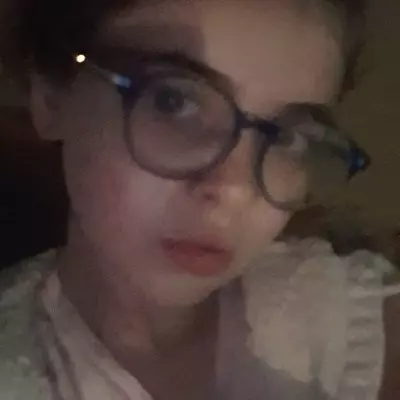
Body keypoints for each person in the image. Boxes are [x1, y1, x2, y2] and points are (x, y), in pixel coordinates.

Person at [1, 0, 399, 399]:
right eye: (172, 101)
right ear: (52, 96)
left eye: (288, 136)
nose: (237, 189)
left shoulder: (344, 318)